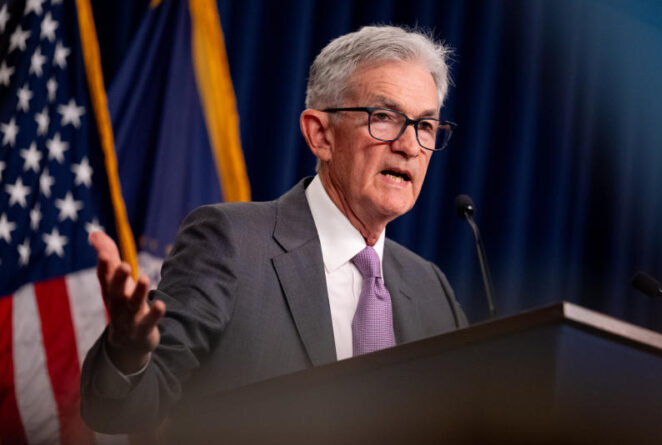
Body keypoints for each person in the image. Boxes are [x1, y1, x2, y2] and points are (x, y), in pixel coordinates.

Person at [80, 25, 468, 433]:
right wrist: (127, 355)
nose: (410, 146)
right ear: (320, 135)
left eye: (425, 126)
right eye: (384, 117)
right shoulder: (229, 243)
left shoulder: (431, 289)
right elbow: (121, 412)